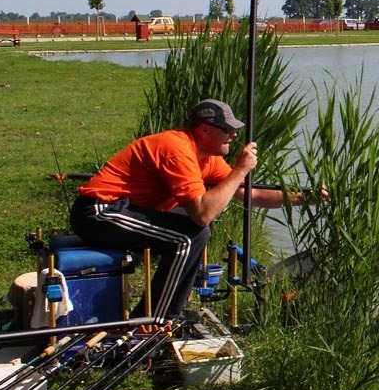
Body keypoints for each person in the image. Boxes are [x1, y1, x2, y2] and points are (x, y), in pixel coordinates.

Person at [70, 99, 319, 320]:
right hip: (99, 212)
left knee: (195, 232)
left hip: (126, 211)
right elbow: (203, 214)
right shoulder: (176, 149)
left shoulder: (207, 156)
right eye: (228, 130)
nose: (233, 136)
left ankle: (166, 315)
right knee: (188, 237)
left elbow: (248, 193)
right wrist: (240, 170)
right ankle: (153, 321)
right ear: (204, 129)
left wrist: (305, 198)